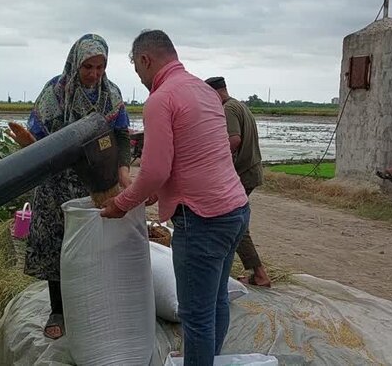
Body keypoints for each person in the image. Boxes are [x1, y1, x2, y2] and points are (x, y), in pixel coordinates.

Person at [101, 30, 249, 365]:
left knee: (196, 317)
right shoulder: (204, 91)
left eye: (139, 72)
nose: (142, 79)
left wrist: (122, 204)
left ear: (145, 60)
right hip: (237, 211)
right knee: (216, 303)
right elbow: (191, 155)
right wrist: (155, 191)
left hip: (203, 221)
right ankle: (208, 358)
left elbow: (153, 171)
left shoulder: (161, 99)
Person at [9, 33, 132, 340]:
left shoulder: (110, 94)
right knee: (57, 245)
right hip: (56, 183)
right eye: (88, 67)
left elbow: (121, 136)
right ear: (75, 63)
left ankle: (91, 305)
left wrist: (123, 169)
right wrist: (30, 146)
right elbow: (36, 137)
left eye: (100, 67)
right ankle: (59, 310)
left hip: (96, 184)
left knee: (94, 246)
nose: (94, 74)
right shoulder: (56, 92)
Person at [205, 76, 271, 288]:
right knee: (236, 222)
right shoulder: (240, 105)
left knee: (235, 224)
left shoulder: (228, 109)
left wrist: (215, 160)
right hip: (251, 170)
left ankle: (259, 274)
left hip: (243, 173)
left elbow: (234, 139)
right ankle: (252, 270)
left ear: (215, 93)